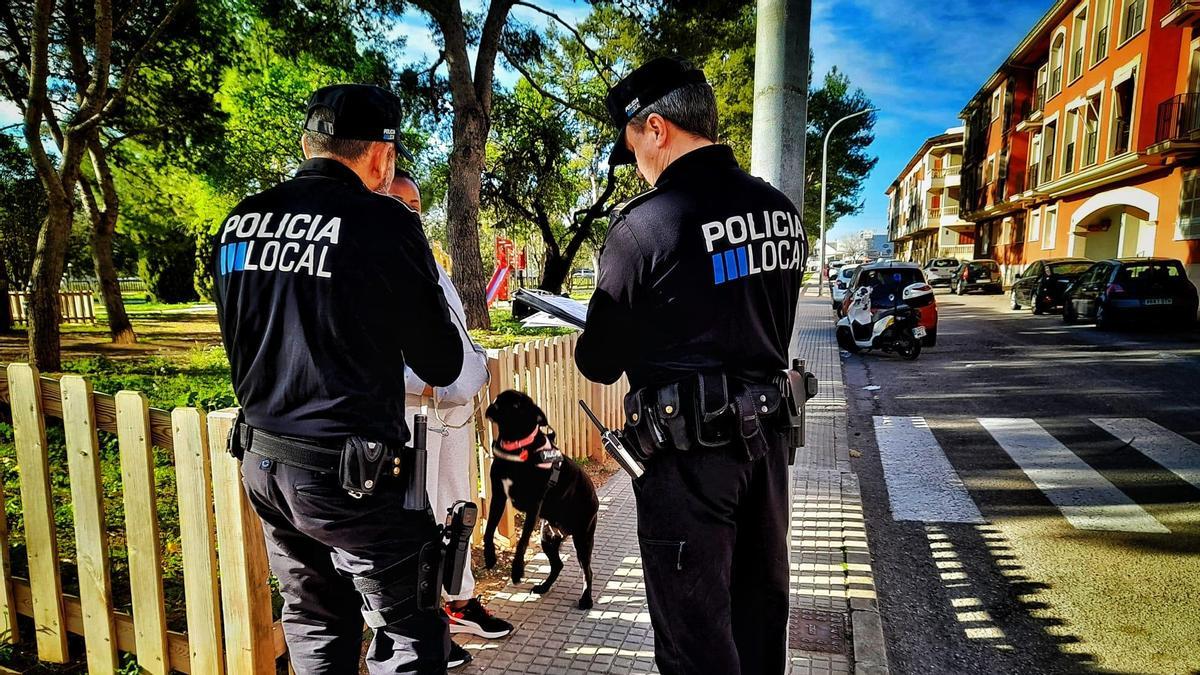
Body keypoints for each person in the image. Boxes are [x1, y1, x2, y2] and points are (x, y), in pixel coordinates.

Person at [212, 83, 464, 674]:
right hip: (353, 477)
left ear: (308, 143)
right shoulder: (382, 222)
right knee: (409, 631)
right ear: (381, 156)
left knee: (315, 621)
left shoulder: (239, 222)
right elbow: (442, 363)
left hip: (265, 462)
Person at [575, 57, 806, 675]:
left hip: (688, 461)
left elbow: (597, 361)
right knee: (759, 621)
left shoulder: (642, 228)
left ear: (656, 129)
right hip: (767, 449)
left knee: (695, 640)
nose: (641, 170)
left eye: (635, 150)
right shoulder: (780, 211)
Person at [387, 173, 514, 668]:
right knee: (422, 520)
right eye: (398, 202)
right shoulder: (373, 260)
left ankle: (458, 600)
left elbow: (454, 325)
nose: (410, 212)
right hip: (415, 412)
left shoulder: (429, 261)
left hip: (455, 413)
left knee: (457, 512)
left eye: (416, 203)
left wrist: (472, 369)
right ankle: (428, 619)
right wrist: (426, 385)